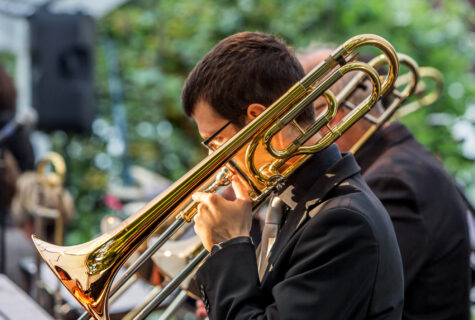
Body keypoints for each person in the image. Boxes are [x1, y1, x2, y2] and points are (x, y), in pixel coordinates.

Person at [181, 32, 404, 319]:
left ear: (257, 120)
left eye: (217, 141)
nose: (216, 161)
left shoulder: (342, 222)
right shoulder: (292, 202)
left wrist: (227, 245)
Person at [301, 50, 471, 319]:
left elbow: (343, 301)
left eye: (300, 124)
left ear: (330, 118)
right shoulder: (398, 161)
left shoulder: (389, 180)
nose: (295, 142)